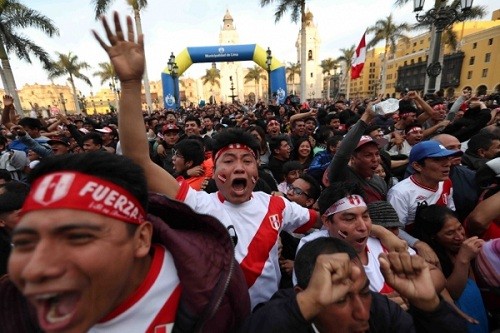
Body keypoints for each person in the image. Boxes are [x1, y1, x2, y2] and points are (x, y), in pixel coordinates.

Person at [94, 14, 322, 309]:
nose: (239, 167)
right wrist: (129, 84)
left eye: (246, 160)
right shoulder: (201, 205)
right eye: (228, 160)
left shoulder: (279, 205)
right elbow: (138, 159)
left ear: (257, 170)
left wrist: (382, 232)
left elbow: (324, 220)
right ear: (216, 171)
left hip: (269, 320)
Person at [1, 152, 249, 333]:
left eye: (77, 238)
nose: (37, 268)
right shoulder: (14, 310)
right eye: (27, 241)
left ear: (141, 239)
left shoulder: (216, 286)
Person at [240, 237, 467, 333]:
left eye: (365, 291)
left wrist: (430, 307)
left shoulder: (380, 310)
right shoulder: (282, 317)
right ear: (303, 296)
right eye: (340, 299)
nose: (362, 313)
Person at [412, 204, 489, 333]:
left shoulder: (458, 248)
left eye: (460, 228)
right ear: (433, 236)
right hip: (460, 316)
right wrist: (463, 259)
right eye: (450, 233)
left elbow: (472, 283)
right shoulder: (431, 259)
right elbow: (453, 294)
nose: (459, 236)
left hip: (476, 309)